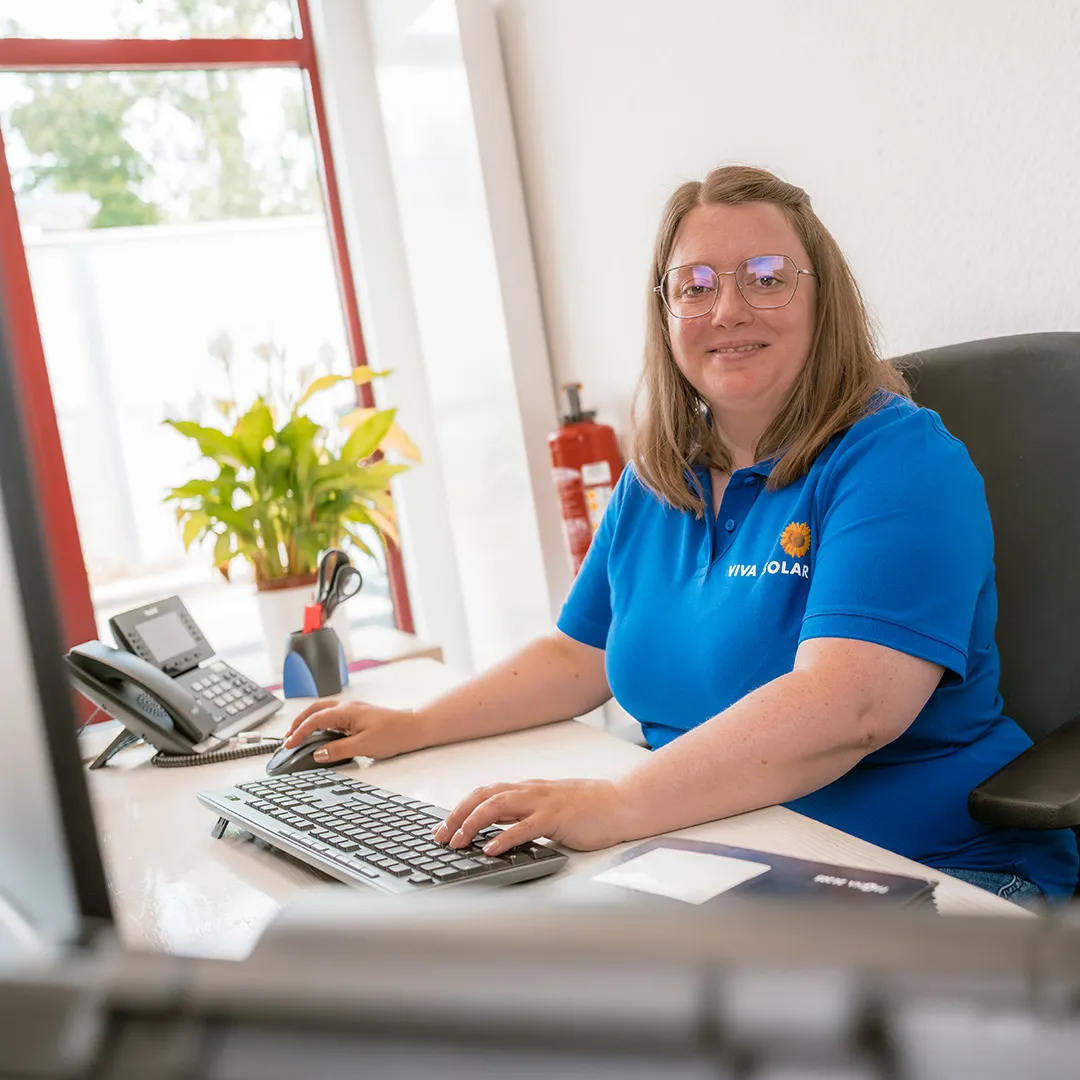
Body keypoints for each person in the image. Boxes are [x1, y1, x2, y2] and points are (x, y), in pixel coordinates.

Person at [284, 165, 1079, 903]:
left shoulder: (897, 459)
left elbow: (851, 707)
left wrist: (619, 802)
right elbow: (576, 655)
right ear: (666, 316)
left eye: (766, 277)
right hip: (715, 855)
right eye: (694, 286)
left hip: (931, 874)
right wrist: (415, 726)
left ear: (823, 299)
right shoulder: (658, 478)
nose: (727, 309)